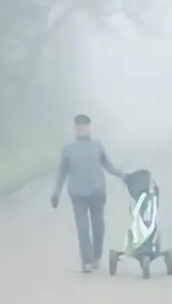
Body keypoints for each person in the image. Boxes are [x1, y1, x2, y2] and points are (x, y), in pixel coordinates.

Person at [51, 114, 125, 272]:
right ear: (76, 128)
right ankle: (86, 260)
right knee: (83, 228)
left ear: (89, 128)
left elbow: (108, 165)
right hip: (78, 194)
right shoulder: (69, 149)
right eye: (79, 126)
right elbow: (61, 172)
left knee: (98, 227)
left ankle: (96, 257)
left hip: (97, 192)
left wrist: (122, 175)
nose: (82, 129)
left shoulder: (97, 146)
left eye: (85, 126)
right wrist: (56, 193)